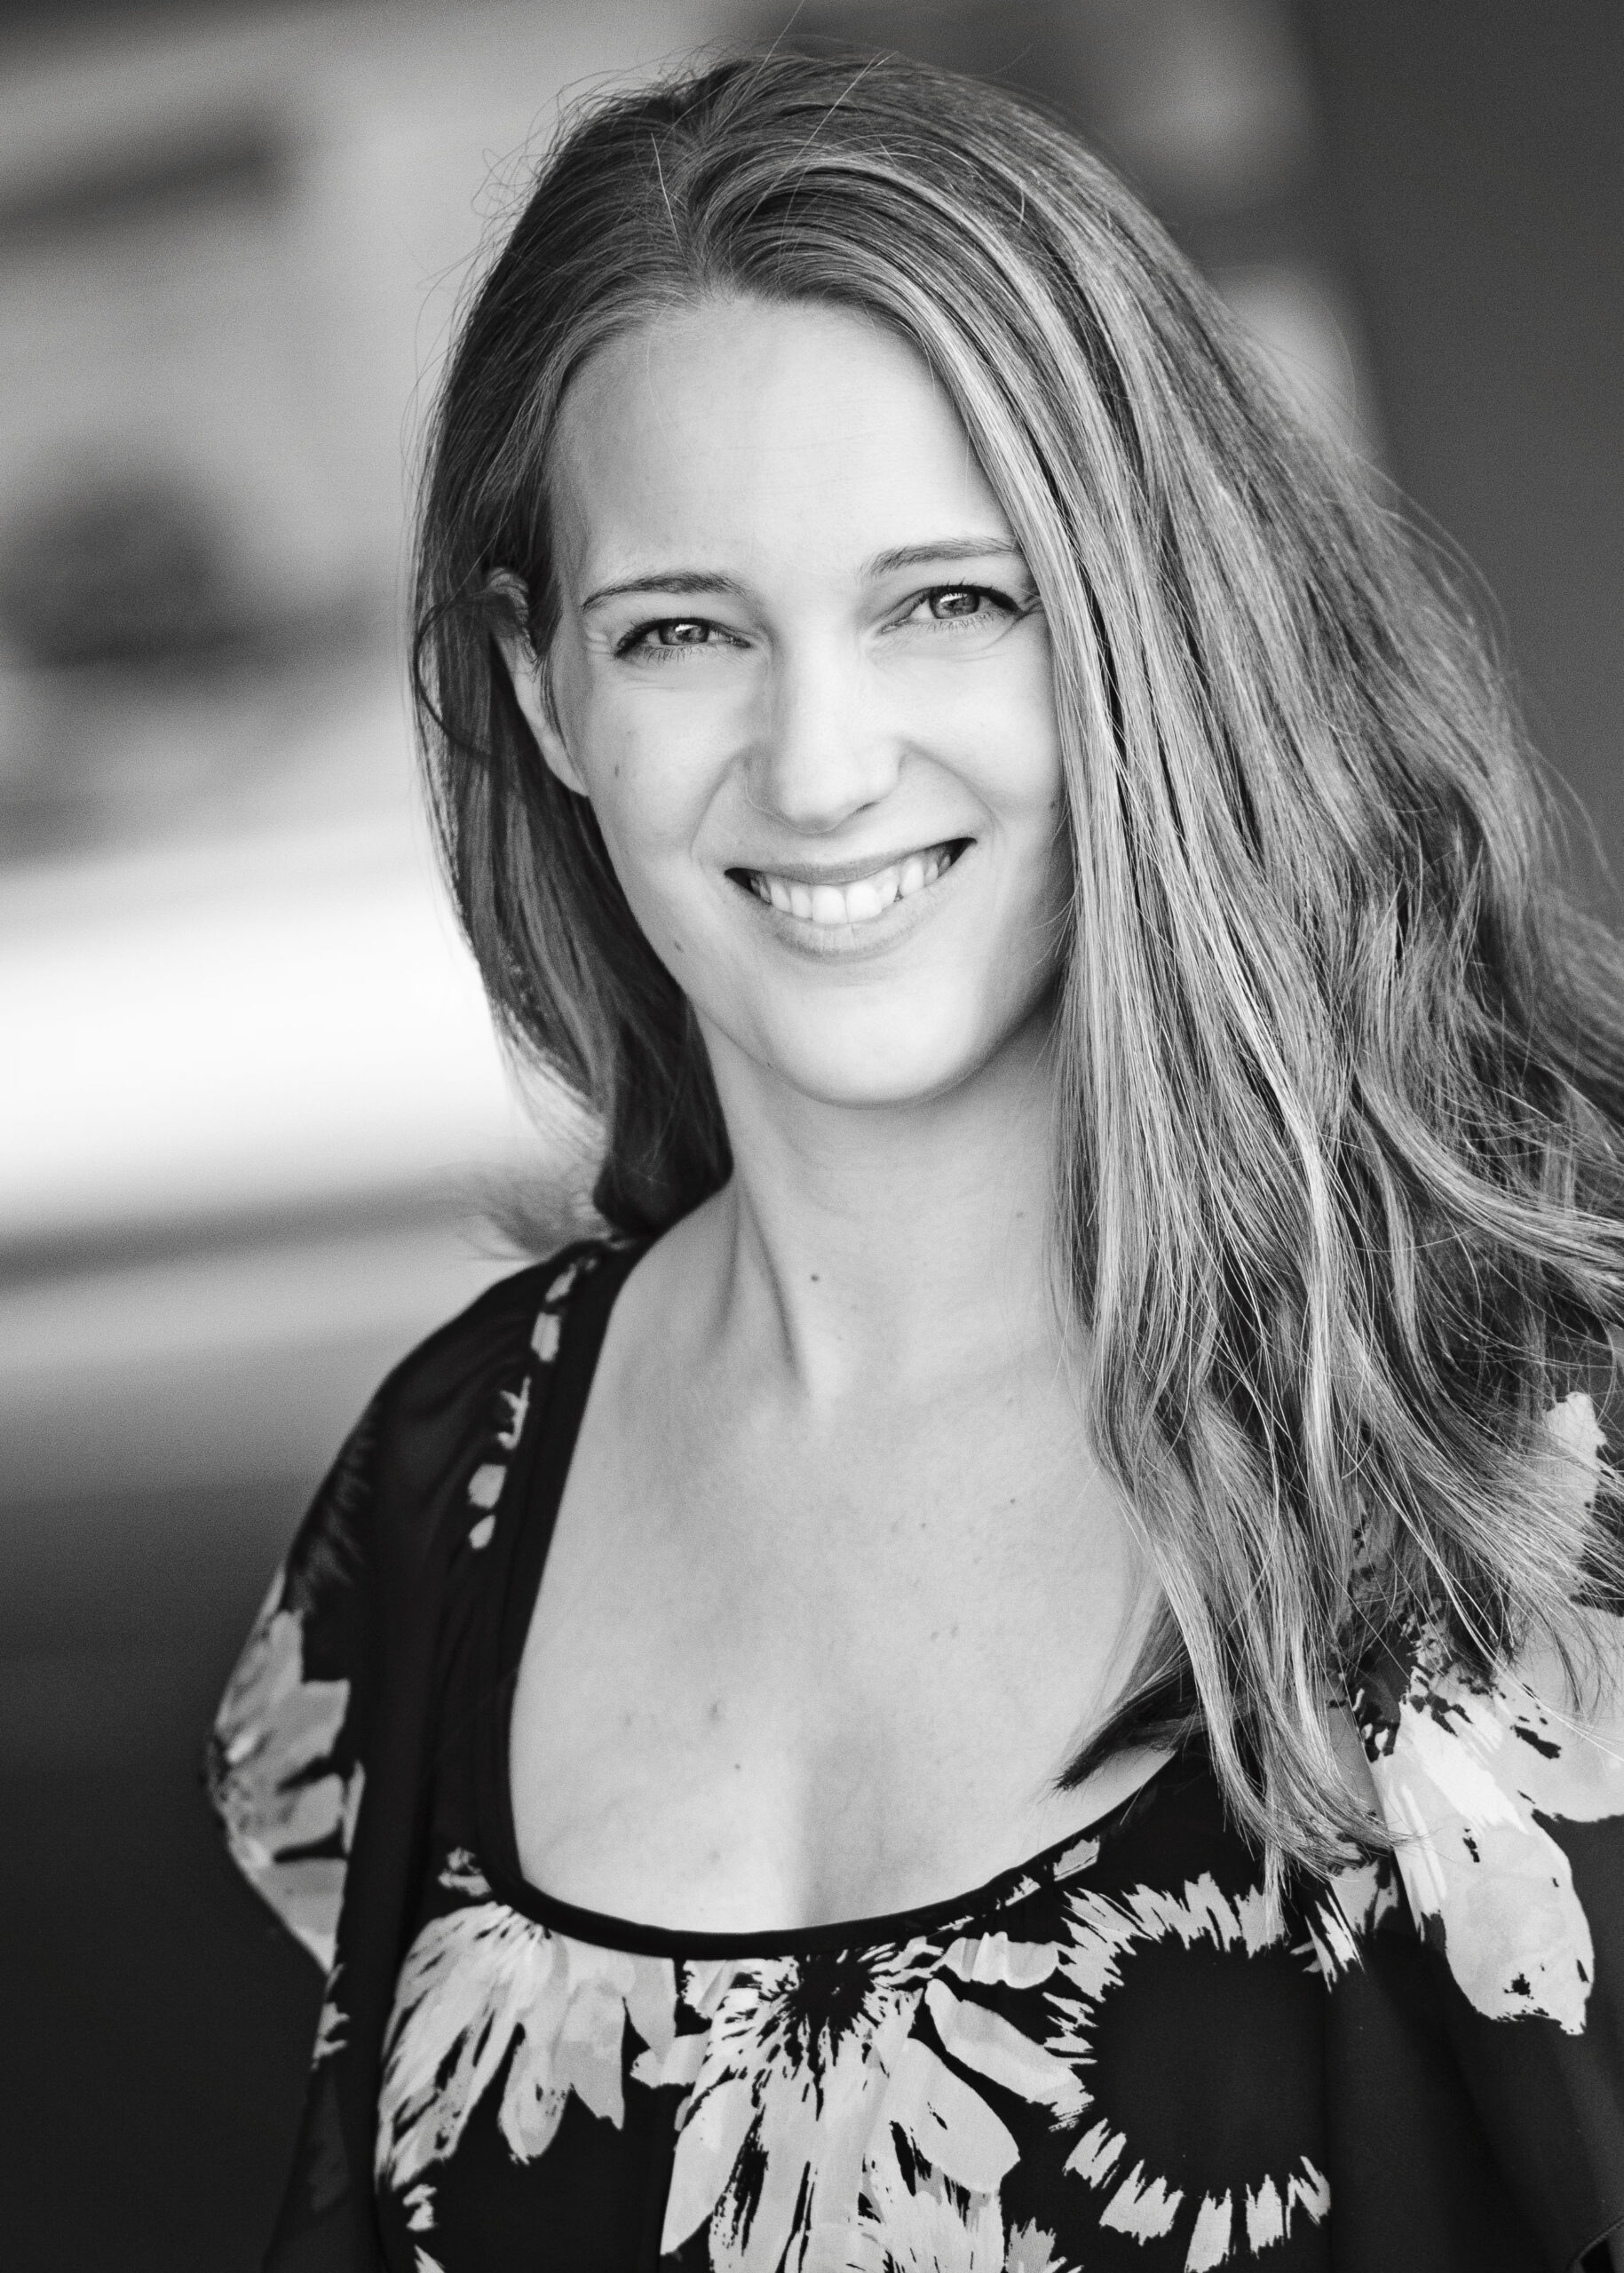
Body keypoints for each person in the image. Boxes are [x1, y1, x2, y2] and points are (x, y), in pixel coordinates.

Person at [207, 47, 1624, 2273]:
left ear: (1146, 617)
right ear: (546, 691)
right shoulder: (436, 1497)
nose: (821, 764)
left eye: (950, 600)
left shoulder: (1536, 1436)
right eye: (684, 631)